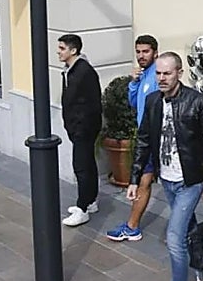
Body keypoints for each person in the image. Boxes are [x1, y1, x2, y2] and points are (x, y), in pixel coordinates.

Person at [128, 52, 203, 281]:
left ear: (179, 73)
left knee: (174, 237)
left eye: (167, 73)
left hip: (190, 180)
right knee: (191, 232)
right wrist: (135, 179)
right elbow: (144, 141)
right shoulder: (153, 101)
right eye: (158, 73)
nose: (161, 78)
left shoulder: (197, 101)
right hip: (167, 180)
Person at [107, 34, 160, 242]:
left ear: (155, 52)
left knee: (155, 183)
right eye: (138, 52)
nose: (141, 56)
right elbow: (133, 103)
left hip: (156, 140)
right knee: (143, 182)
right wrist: (134, 82)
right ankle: (132, 226)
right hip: (145, 137)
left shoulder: (158, 74)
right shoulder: (144, 74)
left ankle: (133, 226)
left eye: (145, 51)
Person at [58, 33, 103, 227]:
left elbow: (92, 103)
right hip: (78, 128)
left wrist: (79, 127)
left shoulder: (84, 72)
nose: (58, 52)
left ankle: (82, 208)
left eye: (62, 48)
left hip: (83, 129)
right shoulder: (71, 69)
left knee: (81, 167)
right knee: (87, 164)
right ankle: (91, 200)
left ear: (73, 50)